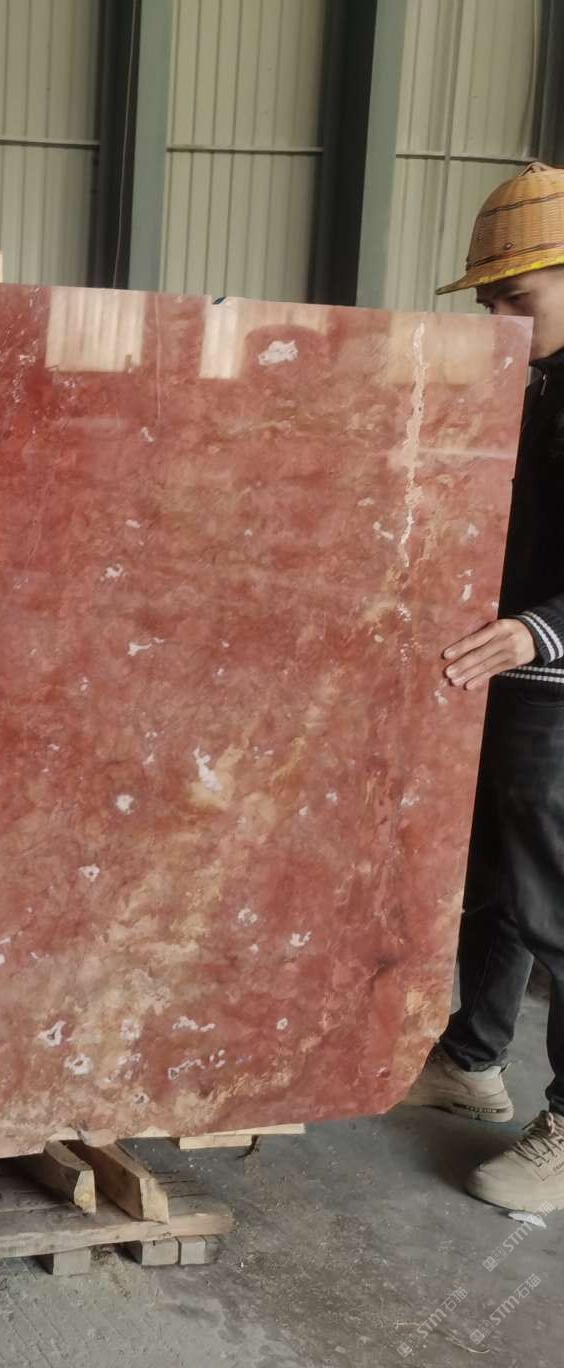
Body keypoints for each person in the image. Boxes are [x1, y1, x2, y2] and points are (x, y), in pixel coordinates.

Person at [402, 162, 564, 1209]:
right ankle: (472, 1060)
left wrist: (542, 627)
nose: (501, 321)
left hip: (554, 675)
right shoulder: (539, 383)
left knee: (556, 902)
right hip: (505, 669)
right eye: (490, 303)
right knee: (498, 882)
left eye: (520, 298)